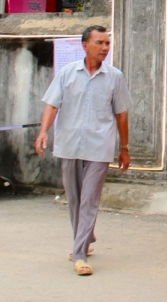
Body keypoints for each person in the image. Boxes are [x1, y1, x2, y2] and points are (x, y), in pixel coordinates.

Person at [35, 25, 132, 277]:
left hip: (100, 146)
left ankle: (79, 254)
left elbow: (121, 114)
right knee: (75, 199)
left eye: (107, 43)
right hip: (69, 144)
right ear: (85, 45)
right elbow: (52, 105)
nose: (104, 48)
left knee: (89, 199)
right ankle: (86, 236)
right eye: (99, 42)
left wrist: (124, 148)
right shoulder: (67, 73)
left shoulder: (115, 77)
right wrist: (43, 132)